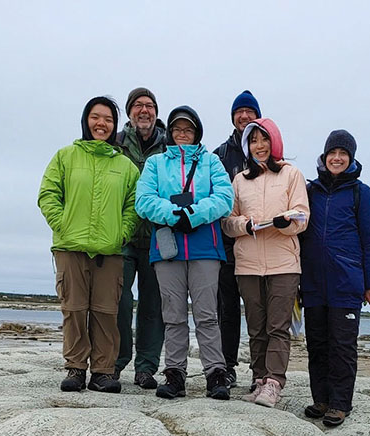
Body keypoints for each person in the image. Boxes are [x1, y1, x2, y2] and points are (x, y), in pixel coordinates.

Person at [38, 96, 140, 393]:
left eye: (108, 119)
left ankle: (103, 372)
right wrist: (63, 224)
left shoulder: (125, 166)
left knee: (107, 313)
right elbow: (48, 194)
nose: (102, 124)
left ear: (115, 125)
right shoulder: (65, 156)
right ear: (86, 121)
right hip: (70, 248)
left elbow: (133, 206)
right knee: (74, 309)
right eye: (96, 117)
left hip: (110, 251)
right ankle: (75, 368)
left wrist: (122, 233)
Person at [135, 106, 234, 400]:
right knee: (173, 315)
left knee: (207, 315)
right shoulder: (155, 164)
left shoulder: (211, 161)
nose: (181, 134)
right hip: (168, 249)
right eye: (177, 129)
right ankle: (175, 373)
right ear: (169, 133)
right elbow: (144, 200)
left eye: (187, 129)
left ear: (197, 133)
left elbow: (225, 198)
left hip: (205, 247)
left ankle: (216, 372)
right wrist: (174, 214)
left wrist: (194, 214)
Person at [222, 118, 309, 408]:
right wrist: (244, 225)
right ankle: (259, 379)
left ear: (275, 142)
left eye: (264, 140)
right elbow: (227, 223)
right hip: (247, 264)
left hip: (284, 263)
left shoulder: (291, 174)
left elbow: (302, 216)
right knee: (256, 327)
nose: (259, 146)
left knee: (277, 327)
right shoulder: (239, 179)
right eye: (254, 141)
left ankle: (274, 383)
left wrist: (286, 221)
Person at [299, 130, 370, 426]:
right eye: (332, 153)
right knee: (317, 343)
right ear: (324, 156)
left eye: (343, 154)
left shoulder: (361, 193)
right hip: (313, 282)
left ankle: (340, 403)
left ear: (351, 158)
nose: (337, 158)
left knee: (342, 346)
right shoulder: (310, 191)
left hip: (347, 282)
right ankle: (321, 399)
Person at [114, 87, 167, 389]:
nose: (144, 110)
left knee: (153, 306)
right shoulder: (117, 144)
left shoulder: (168, 146)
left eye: (149, 105)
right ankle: (117, 362)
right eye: (138, 106)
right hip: (121, 236)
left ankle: (146, 367)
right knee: (119, 303)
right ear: (130, 112)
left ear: (156, 112)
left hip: (158, 238)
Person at [213, 90, 261, 388]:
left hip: (260, 244)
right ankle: (227, 366)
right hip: (226, 244)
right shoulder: (220, 155)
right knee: (227, 309)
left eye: (249, 111)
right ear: (233, 117)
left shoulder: (268, 150)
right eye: (239, 111)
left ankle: (263, 372)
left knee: (259, 311)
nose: (244, 116)